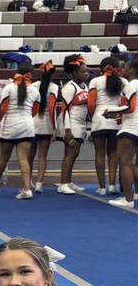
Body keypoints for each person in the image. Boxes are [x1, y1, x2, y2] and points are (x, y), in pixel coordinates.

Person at [0, 63, 41, 200]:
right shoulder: (35, 91)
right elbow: (35, 110)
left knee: (3, 157)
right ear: (29, 75)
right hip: (27, 126)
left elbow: (2, 108)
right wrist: (26, 119)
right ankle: (26, 190)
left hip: (10, 126)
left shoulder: (9, 88)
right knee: (23, 159)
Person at [88, 57, 126, 196]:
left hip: (99, 117)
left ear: (101, 69)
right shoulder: (124, 82)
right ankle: (112, 185)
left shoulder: (95, 81)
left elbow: (91, 104)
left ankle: (102, 188)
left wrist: (94, 117)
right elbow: (124, 102)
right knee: (113, 153)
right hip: (116, 119)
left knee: (99, 153)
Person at [106, 58, 138, 209]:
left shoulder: (131, 85)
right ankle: (135, 195)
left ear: (131, 69)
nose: (122, 69)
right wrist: (117, 115)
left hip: (131, 128)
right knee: (134, 165)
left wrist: (111, 110)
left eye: (125, 66)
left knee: (125, 163)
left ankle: (128, 199)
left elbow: (131, 108)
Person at [57, 55, 90, 196]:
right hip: (71, 123)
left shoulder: (85, 86)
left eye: (87, 71)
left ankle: (68, 181)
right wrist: (67, 130)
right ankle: (63, 184)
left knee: (74, 153)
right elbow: (64, 110)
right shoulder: (69, 87)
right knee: (70, 153)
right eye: (83, 72)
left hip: (81, 123)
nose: (87, 74)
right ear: (75, 73)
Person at [29, 61, 59, 194]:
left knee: (29, 156)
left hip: (31, 124)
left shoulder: (33, 86)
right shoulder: (54, 87)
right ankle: (39, 184)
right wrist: (54, 128)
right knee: (42, 156)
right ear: (52, 75)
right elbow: (52, 108)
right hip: (46, 125)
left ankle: (27, 181)